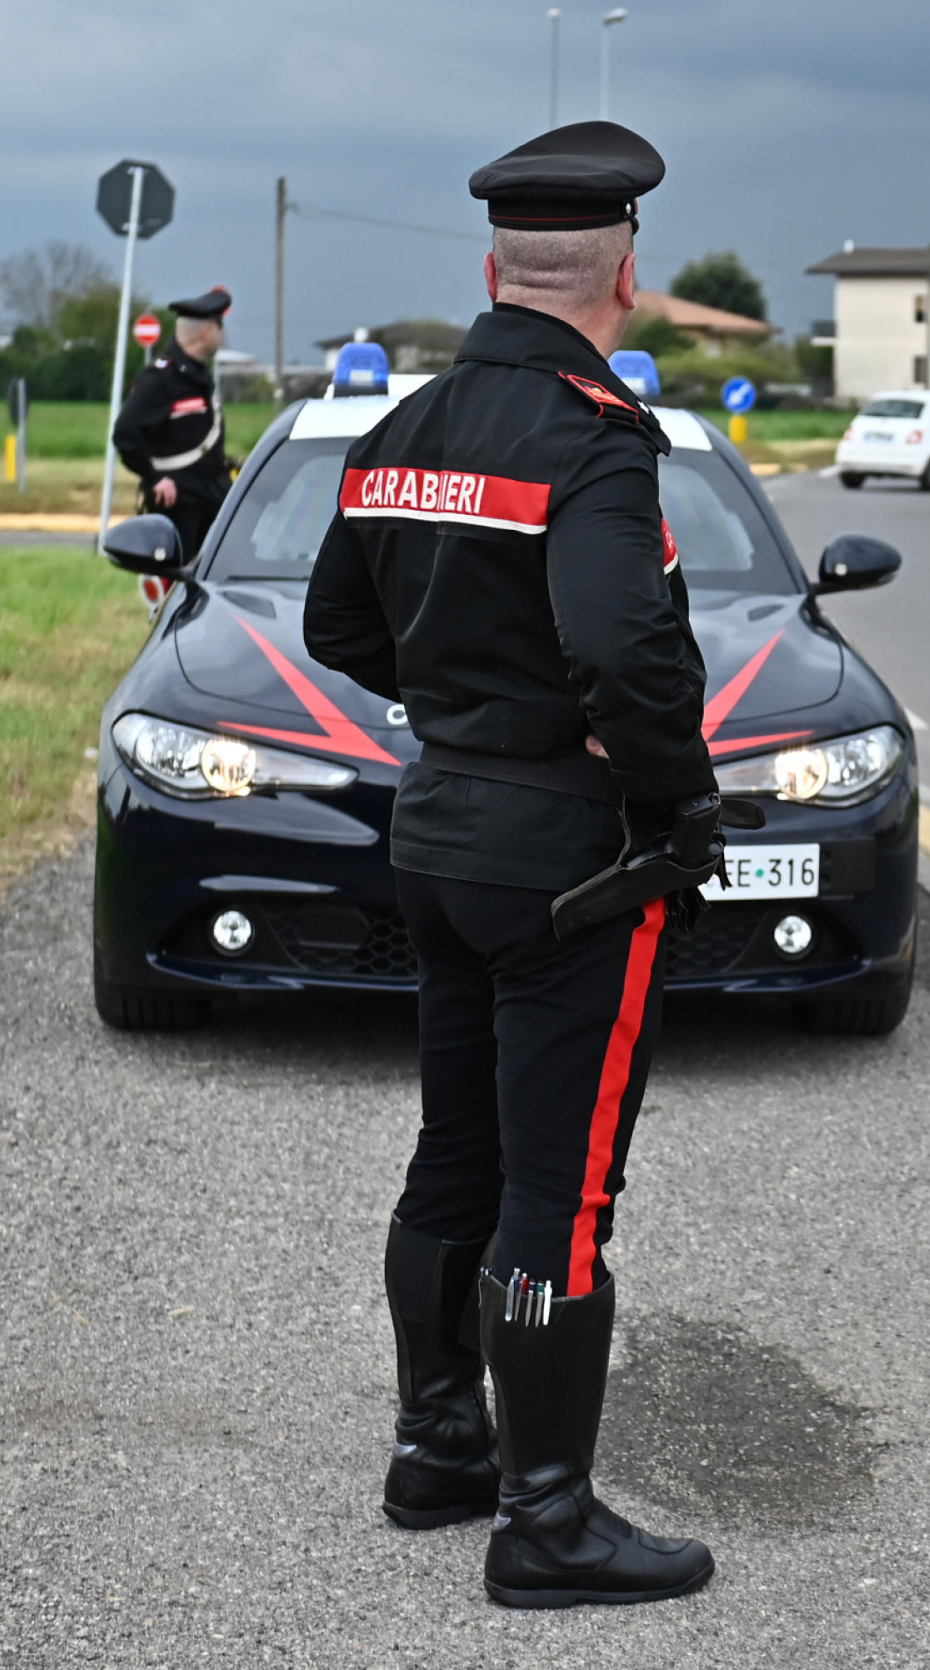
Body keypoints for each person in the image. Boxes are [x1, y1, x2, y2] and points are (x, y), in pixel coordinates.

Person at [302, 121, 721, 1610]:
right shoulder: (595, 436)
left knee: (454, 1155)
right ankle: (546, 1523)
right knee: (562, 1193)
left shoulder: (400, 431)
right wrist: (677, 797)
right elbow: (625, 643)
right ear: (626, 274)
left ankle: (440, 1448)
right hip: (569, 867)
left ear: (495, 266)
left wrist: (464, 709)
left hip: (438, 838)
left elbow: (337, 632)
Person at [112, 287, 234, 557]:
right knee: (176, 590)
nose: (221, 335)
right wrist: (154, 479)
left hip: (210, 499)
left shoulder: (198, 377)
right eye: (219, 326)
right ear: (205, 332)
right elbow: (125, 435)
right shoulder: (160, 380)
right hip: (180, 507)